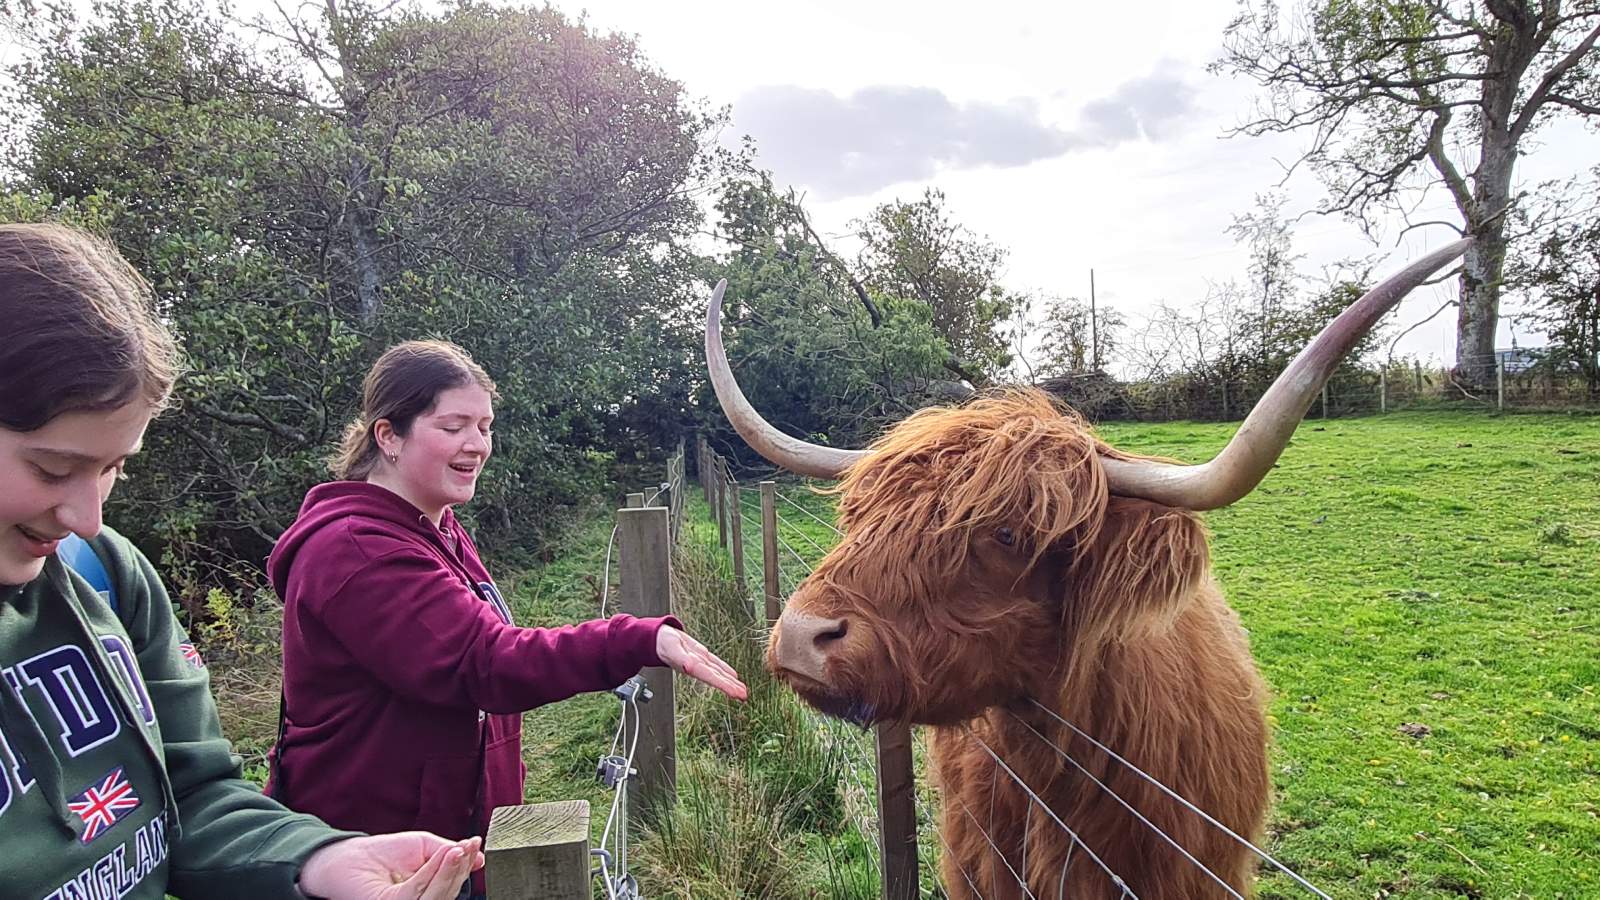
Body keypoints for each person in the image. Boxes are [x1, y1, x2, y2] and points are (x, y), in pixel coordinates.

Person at [0, 222, 483, 899]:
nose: (89, 517)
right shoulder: (350, 544)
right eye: (53, 468)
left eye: (113, 468)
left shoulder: (103, 575)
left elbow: (191, 795)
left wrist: (314, 861)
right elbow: (476, 661)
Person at [264, 341, 746, 865]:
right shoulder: (357, 550)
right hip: (379, 858)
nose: (477, 444)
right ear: (388, 436)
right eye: (453, 427)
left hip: (449, 842)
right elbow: (485, 662)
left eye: (485, 426)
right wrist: (636, 638)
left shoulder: (436, 526)